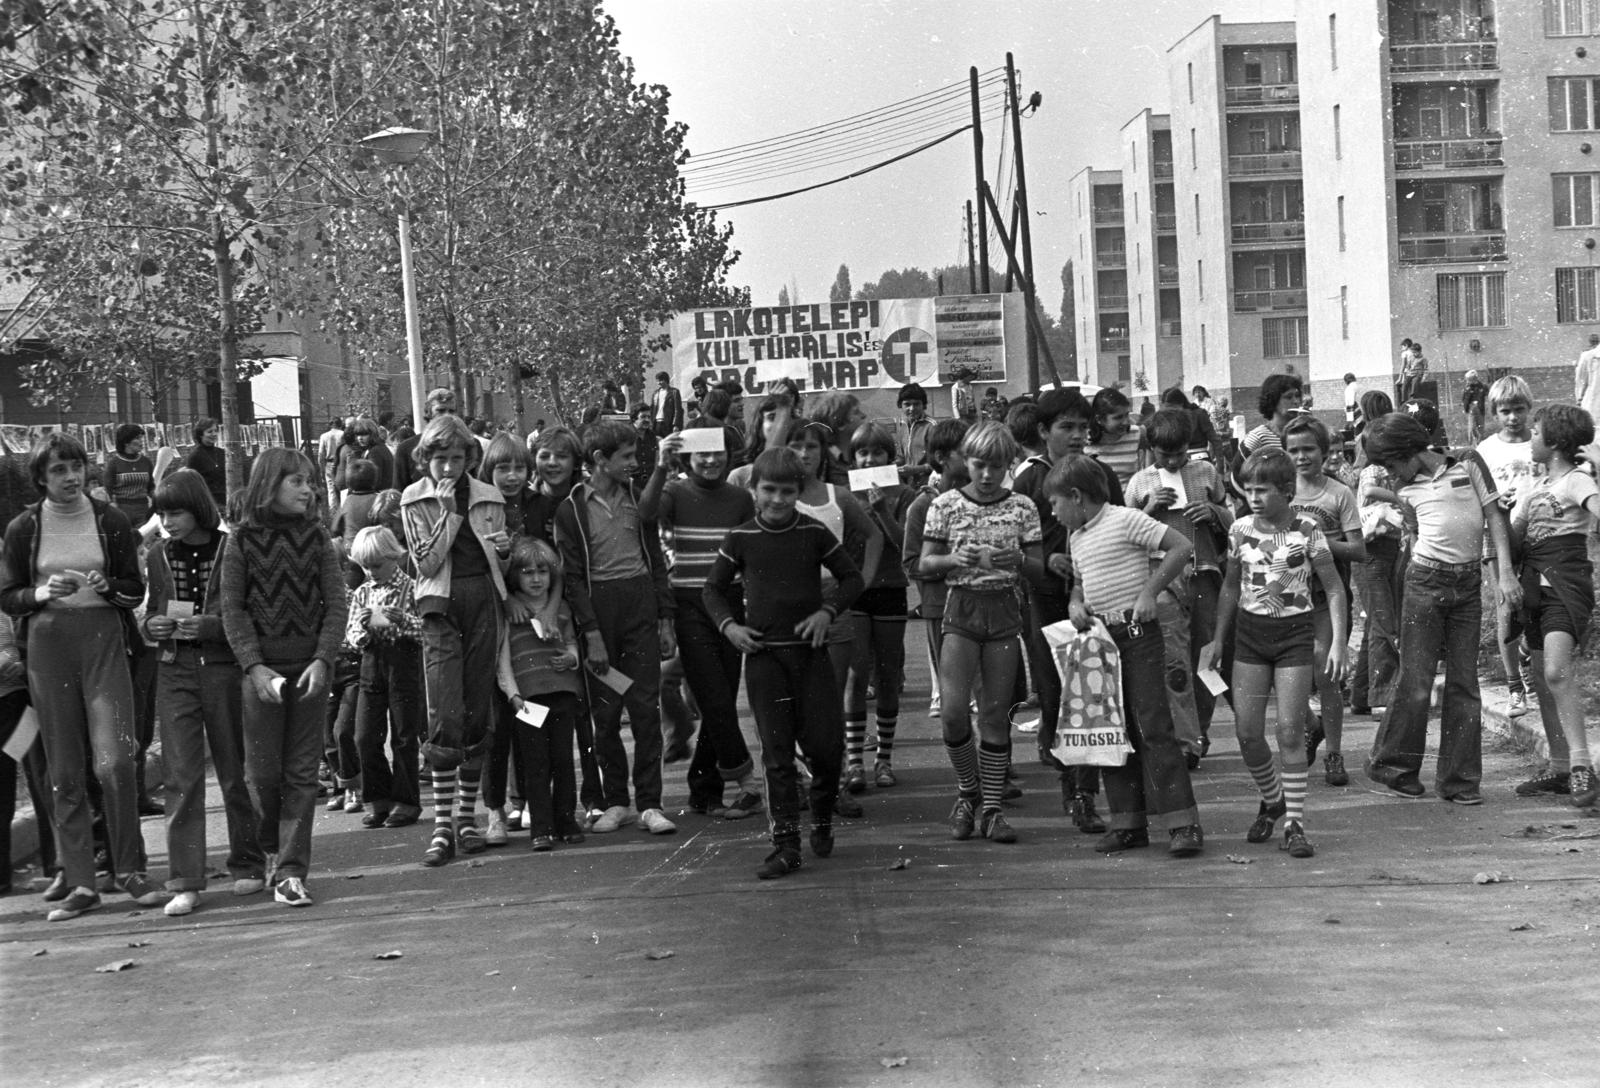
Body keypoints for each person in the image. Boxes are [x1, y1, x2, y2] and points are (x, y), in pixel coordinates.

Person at [1, 432, 151, 920]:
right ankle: (81, 881)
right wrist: (42, 593)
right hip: (47, 646)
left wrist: (109, 587)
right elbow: (9, 596)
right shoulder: (24, 528)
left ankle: (129, 870)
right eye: (58, 470)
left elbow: (134, 586)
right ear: (41, 479)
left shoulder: (110, 521)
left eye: (77, 467)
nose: (71, 477)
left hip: (104, 639)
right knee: (63, 768)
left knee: (115, 761)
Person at [703, 446, 864, 879]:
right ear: (753, 490)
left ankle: (824, 819)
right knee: (777, 758)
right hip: (764, 659)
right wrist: (729, 628)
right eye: (769, 490)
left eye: (787, 492)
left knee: (827, 751)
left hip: (810, 657)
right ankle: (786, 844)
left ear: (799, 492)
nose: (777, 500)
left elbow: (853, 578)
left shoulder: (813, 533)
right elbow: (712, 591)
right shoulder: (740, 537)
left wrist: (827, 613)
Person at [1048, 453, 1205, 857]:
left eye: (1055, 503)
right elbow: (1081, 583)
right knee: (1111, 730)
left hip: (1138, 634)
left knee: (1153, 727)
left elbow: (1181, 546)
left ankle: (1183, 822)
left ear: (1077, 495)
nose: (1053, 511)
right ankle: (1128, 823)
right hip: (1101, 640)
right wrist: (1075, 603)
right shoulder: (1078, 537)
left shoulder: (1125, 519)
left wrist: (1149, 591)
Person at [1363, 413, 1519, 803]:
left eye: (1391, 462)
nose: (1389, 472)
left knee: (1465, 684)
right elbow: (1414, 532)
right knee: (1416, 681)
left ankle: (1459, 781)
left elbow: (1494, 517)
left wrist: (1505, 574)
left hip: (1466, 587)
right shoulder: (1404, 486)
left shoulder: (1468, 461)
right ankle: (1393, 766)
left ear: (1410, 449)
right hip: (1424, 583)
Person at [1199, 447, 1346, 859]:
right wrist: (1217, 639)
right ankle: (1272, 798)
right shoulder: (1240, 529)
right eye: (1247, 490)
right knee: (1247, 732)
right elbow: (1231, 585)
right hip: (1249, 636)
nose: (1253, 498)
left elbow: (1333, 588)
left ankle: (1294, 823)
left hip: (1295, 636)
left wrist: (1337, 642)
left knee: (1288, 731)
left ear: (1286, 489)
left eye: (1262, 490)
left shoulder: (1308, 529)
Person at [221, 446, 347, 908]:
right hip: (261, 676)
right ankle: (271, 848)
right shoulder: (240, 540)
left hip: (311, 671)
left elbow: (336, 603)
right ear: (269, 483)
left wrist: (322, 658)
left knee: (301, 773)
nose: (309, 489)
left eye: (311, 481)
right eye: (298, 481)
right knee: (261, 773)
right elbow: (232, 609)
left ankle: (292, 872)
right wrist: (253, 666)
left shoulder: (316, 537)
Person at [140, 469, 263, 916]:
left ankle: (248, 861)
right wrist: (150, 625)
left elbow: (248, 611)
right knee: (181, 776)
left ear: (198, 507)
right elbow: (152, 608)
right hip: (175, 669)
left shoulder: (232, 548)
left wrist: (212, 627)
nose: (167, 521)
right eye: (161, 513)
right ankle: (186, 879)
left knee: (235, 768)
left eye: (175, 512)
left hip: (223, 669)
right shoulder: (157, 554)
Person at [919, 421, 1042, 845]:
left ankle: (990, 808)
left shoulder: (1023, 506)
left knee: (995, 714)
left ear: (1009, 464)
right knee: (953, 712)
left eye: (996, 466)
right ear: (964, 462)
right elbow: (925, 564)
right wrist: (954, 558)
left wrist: (1018, 560)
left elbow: (1039, 567)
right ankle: (967, 790)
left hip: (1004, 610)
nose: (987, 475)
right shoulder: (945, 505)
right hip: (962, 610)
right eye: (978, 465)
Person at [553, 418, 677, 836]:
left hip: (639, 605)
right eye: (626, 457)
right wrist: (591, 634)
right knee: (604, 715)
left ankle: (650, 803)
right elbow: (571, 578)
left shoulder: (636, 499)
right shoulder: (570, 508)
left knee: (645, 708)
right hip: (599, 613)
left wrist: (664, 619)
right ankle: (616, 801)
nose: (634, 463)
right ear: (599, 460)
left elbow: (655, 559)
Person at [401, 414, 511, 865]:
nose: (447, 468)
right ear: (425, 458)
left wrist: (504, 550)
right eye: (438, 458)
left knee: (475, 708)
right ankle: (441, 824)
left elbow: (499, 561)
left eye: (456, 458)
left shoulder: (489, 495)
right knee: (444, 712)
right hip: (439, 606)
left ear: (469, 457)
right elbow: (424, 565)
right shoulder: (415, 498)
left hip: (483, 599)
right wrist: (447, 516)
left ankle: (467, 818)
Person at [1011, 387, 1120, 832]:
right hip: (1046, 598)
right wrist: (1044, 562)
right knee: (1056, 694)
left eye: (1082, 427)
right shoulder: (1029, 479)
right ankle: (1069, 781)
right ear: (1043, 432)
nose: (1077, 436)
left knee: (1092, 694)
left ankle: (1085, 794)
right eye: (1066, 428)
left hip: (1097, 597)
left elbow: (1118, 527)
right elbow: (1011, 545)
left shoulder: (1101, 474)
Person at [1125, 409, 1233, 767]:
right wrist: (1149, 509)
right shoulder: (1140, 482)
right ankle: (1184, 741)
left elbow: (1232, 514)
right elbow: (1126, 533)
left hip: (1203, 572)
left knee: (1205, 657)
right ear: (1151, 448)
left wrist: (1214, 513)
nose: (1172, 461)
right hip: (1163, 576)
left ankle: (1198, 736)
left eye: (1179, 453)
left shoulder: (1205, 472)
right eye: (1164, 454)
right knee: (1174, 660)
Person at [1510, 404, 1599, 806]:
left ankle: (1583, 767)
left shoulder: (1577, 480)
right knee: (1545, 678)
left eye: (1534, 432)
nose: (1529, 438)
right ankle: (1562, 768)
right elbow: (1513, 539)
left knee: (1557, 673)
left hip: (1565, 585)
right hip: (1534, 590)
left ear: (1556, 441)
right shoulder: (1534, 489)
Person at [495, 537, 587, 849]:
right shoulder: (510, 613)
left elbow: (572, 641)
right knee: (536, 764)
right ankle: (541, 828)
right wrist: (512, 694)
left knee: (563, 760)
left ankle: (566, 820)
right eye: (528, 573)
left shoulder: (560, 608)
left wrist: (572, 657)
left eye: (542, 572)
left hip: (561, 693)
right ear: (515, 576)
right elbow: (503, 658)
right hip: (528, 700)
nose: (536, 579)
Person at [842, 422, 914, 792]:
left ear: (890, 456)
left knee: (886, 674)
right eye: (863, 453)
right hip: (854, 593)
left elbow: (907, 546)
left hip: (891, 590)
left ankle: (883, 759)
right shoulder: (842, 495)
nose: (870, 459)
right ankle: (854, 761)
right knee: (855, 676)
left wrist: (883, 511)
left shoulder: (904, 495)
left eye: (878, 452)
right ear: (852, 459)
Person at [345, 525, 425, 831]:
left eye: (376, 565)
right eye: (365, 566)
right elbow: (352, 635)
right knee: (364, 735)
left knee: (405, 735)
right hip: (371, 664)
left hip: (403, 663)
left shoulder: (411, 587)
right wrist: (362, 628)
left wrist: (403, 620)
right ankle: (377, 800)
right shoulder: (363, 591)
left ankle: (406, 802)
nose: (370, 572)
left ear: (393, 557)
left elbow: (425, 632)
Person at [1476, 375, 1541, 717]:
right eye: (1505, 411)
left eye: (1519, 410)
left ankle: (1528, 651)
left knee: (1538, 604)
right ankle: (1515, 686)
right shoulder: (1487, 449)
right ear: (1494, 413)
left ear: (1530, 409)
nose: (1513, 418)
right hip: (1497, 532)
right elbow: (1477, 494)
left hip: (1537, 532)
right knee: (1506, 608)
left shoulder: (1541, 443)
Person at [902, 419, 970, 725]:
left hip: (979, 605)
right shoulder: (922, 506)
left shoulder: (982, 500)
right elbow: (911, 563)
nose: (973, 459)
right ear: (941, 457)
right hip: (940, 607)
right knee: (951, 701)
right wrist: (952, 563)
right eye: (964, 452)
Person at [394, 388, 457, 493]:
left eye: (451, 411)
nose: (447, 415)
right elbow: (399, 492)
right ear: (429, 413)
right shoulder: (407, 447)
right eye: (441, 410)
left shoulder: (469, 444)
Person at [1086, 387, 1145, 486]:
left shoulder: (1136, 434)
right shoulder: (1084, 440)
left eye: (1126, 415)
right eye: (1118, 418)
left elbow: (1155, 451)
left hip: (1129, 499)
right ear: (1099, 419)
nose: (1126, 422)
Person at [105, 422, 155, 528]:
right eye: (137, 438)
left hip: (143, 510)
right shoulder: (114, 463)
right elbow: (108, 490)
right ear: (126, 442)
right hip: (122, 510)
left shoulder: (146, 462)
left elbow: (151, 487)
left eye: (141, 438)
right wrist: (113, 509)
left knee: (143, 539)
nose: (142, 442)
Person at [184, 418, 228, 510]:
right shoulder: (194, 456)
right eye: (209, 431)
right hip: (207, 504)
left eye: (215, 431)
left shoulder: (222, 453)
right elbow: (192, 485)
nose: (214, 434)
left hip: (226, 501)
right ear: (200, 434)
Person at [318, 418, 347, 503]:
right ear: (340, 424)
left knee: (331, 490)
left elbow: (321, 454)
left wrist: (322, 470)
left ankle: (333, 512)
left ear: (331, 425)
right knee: (343, 488)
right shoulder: (343, 434)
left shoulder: (324, 436)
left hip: (329, 463)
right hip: (341, 463)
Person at [651, 371, 684, 438]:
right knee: (658, 443)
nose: (658, 383)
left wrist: (676, 424)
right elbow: (652, 409)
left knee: (669, 442)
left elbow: (677, 409)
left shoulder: (674, 392)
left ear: (666, 380)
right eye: (657, 381)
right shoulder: (655, 393)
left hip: (668, 423)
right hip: (657, 422)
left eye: (660, 381)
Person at [1461, 370, 1489, 445]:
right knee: (1471, 428)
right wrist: (1467, 406)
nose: (1467, 381)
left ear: (1474, 379)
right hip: (1471, 408)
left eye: (1468, 379)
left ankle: (1481, 445)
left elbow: (1489, 395)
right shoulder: (1467, 387)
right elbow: (1464, 398)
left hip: (1480, 408)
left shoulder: (1483, 386)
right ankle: (1472, 446)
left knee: (1481, 428)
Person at [1577, 333, 1600, 421]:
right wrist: (1580, 398)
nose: (1595, 342)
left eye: (1596, 340)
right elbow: (1581, 382)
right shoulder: (1588, 356)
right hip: (1593, 405)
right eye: (1593, 340)